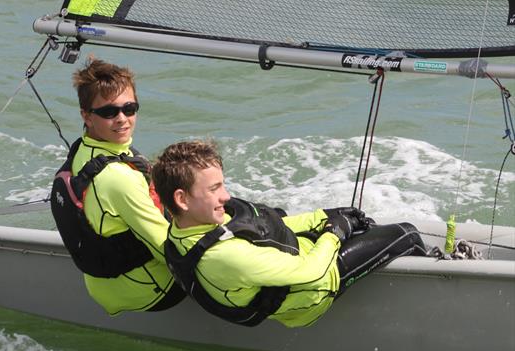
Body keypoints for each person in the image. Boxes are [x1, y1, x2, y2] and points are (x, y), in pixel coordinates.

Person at [151, 140, 428, 328]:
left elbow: (265, 226)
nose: (226, 196)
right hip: (316, 288)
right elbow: (312, 272)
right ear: (182, 199)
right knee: (406, 234)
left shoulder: (187, 226)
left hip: (300, 252)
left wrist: (324, 217)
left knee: (364, 226)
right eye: (214, 189)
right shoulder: (225, 257)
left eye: (223, 185)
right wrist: (335, 233)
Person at [51, 57, 184, 315]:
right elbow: (168, 250)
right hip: (150, 289)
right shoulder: (118, 177)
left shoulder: (84, 151)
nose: (122, 119)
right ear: (86, 116)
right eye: (109, 112)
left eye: (130, 108)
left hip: (104, 285)